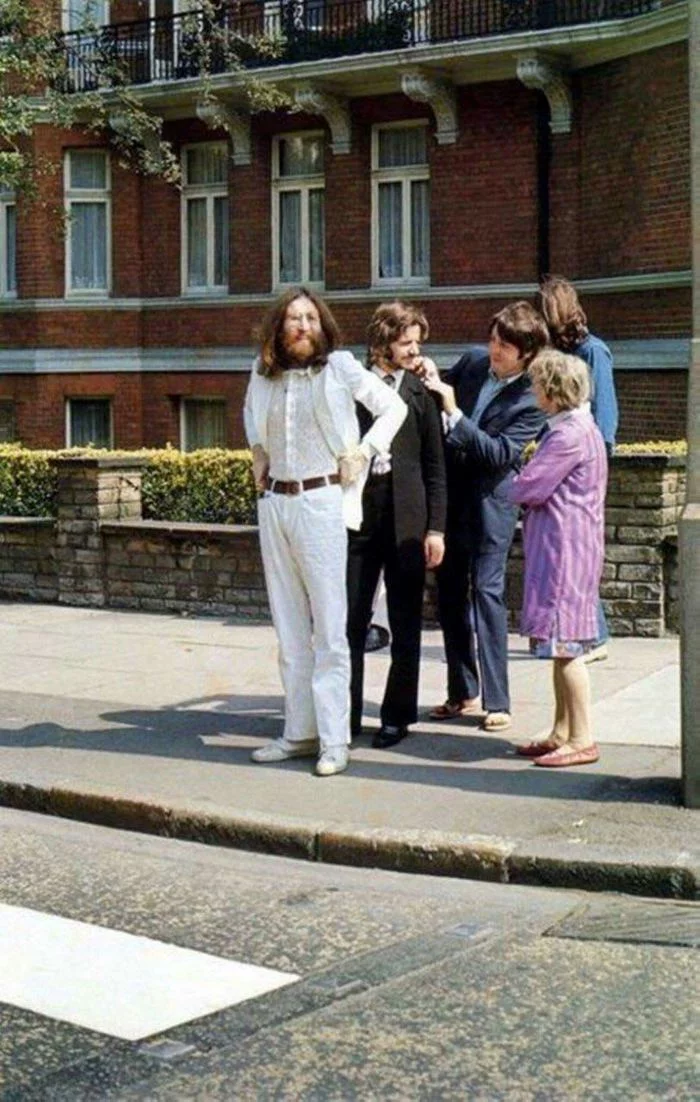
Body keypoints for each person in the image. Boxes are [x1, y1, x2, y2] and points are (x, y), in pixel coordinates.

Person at [243, 288, 407, 776]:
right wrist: (257, 449)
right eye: (293, 317)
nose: (301, 325)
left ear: (323, 325)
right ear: (279, 326)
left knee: (331, 631)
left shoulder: (340, 367)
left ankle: (335, 740)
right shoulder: (262, 371)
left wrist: (366, 450)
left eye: (310, 317)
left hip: (323, 502)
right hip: (275, 502)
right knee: (289, 628)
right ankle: (299, 731)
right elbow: (252, 414)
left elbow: (392, 408)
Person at [420, 302, 549, 733]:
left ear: (526, 353)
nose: (494, 349)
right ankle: (462, 691)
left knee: (487, 596)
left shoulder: (531, 399)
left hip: (490, 506)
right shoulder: (474, 362)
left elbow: (498, 455)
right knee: (450, 595)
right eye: (494, 339)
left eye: (505, 346)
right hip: (452, 500)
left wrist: (455, 413)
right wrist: (427, 372)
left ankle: (498, 700)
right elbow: (435, 389)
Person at [346, 301, 446, 749]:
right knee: (349, 621)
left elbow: (435, 466)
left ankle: (396, 716)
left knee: (405, 623)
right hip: (357, 520)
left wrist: (436, 529)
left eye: (417, 342)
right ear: (382, 343)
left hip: (407, 521)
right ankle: (343, 715)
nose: (414, 350)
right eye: (405, 342)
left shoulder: (421, 393)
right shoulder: (351, 387)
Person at [509, 350, 607, 766]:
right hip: (569, 545)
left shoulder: (568, 435)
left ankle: (581, 738)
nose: (532, 391)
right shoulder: (581, 428)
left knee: (567, 647)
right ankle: (561, 730)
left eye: (536, 384)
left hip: (564, 549)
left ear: (551, 390)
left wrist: (516, 475)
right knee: (558, 645)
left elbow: (529, 487)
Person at [537, 275, 618, 663]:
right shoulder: (558, 353)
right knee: (571, 557)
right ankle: (588, 634)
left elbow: (603, 417)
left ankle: (593, 636)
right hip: (565, 460)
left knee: (579, 554)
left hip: (584, 466)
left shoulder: (594, 352)